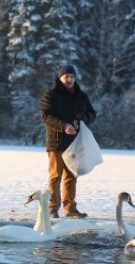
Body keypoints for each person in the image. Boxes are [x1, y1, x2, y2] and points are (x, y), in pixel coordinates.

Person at [40, 64, 96, 219]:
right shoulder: (51, 95)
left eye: (72, 76)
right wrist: (63, 126)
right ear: (60, 78)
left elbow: (91, 113)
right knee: (55, 177)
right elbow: (46, 116)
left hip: (75, 143)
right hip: (56, 143)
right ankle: (52, 208)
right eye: (66, 76)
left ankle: (70, 209)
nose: (69, 79)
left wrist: (82, 120)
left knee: (71, 177)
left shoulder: (81, 96)